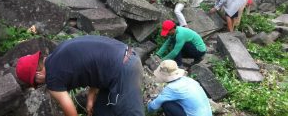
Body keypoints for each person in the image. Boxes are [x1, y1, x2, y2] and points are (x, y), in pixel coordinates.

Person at [15, 35, 144, 116]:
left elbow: (70, 111)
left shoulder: (52, 78)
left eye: (37, 83)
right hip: (125, 57)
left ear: (37, 74)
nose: (41, 84)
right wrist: (91, 96)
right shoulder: (58, 53)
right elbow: (94, 63)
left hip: (123, 69)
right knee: (101, 111)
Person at [147, 60, 212, 116]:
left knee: (166, 104)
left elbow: (153, 107)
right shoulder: (189, 80)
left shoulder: (171, 88)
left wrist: (148, 105)